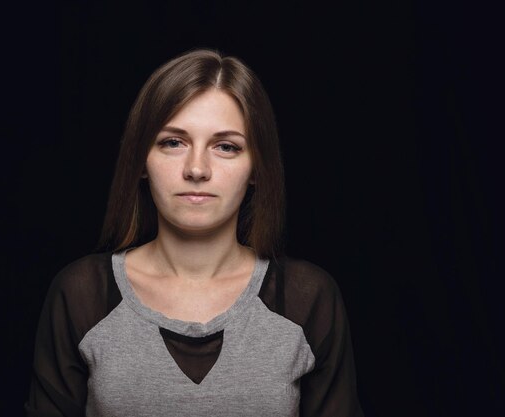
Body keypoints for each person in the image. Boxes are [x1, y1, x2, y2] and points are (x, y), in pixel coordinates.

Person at [25, 49, 363, 417]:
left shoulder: (307, 298)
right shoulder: (82, 293)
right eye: (173, 142)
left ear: (256, 167)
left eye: (226, 146)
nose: (197, 168)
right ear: (141, 159)